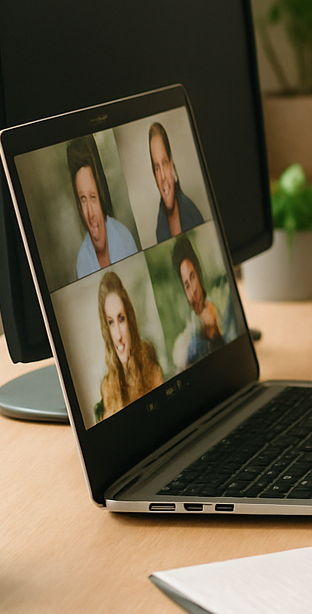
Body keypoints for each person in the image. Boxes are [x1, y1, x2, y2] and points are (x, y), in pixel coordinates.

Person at [96, 269, 164, 418]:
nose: (118, 335)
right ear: (106, 329)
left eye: (121, 319)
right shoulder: (108, 388)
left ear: (130, 320)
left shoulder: (150, 366)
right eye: (111, 322)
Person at [68, 136, 139, 277]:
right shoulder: (82, 261)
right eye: (83, 199)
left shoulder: (124, 238)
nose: (90, 214)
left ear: (101, 196)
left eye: (93, 197)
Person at [169, 235, 234, 368]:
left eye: (192, 277)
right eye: (186, 285)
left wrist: (217, 324)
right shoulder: (188, 336)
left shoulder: (221, 300)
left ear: (199, 275)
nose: (192, 291)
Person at [149, 122, 205, 243]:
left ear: (172, 165)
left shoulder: (193, 215)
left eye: (164, 163)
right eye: (157, 168)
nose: (162, 176)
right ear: (154, 175)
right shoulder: (159, 229)